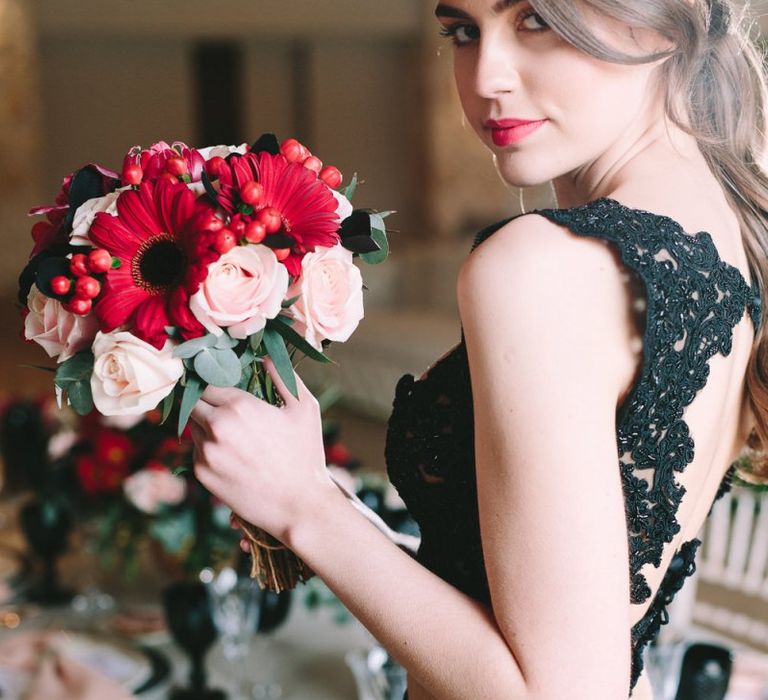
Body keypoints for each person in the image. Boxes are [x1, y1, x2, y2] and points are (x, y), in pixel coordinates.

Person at [189, 0, 768, 697]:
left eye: (535, 20)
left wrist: (305, 507)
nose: (486, 77)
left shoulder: (537, 267)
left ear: (658, 19)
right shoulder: (734, 224)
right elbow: (565, 611)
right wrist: (325, 499)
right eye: (463, 31)